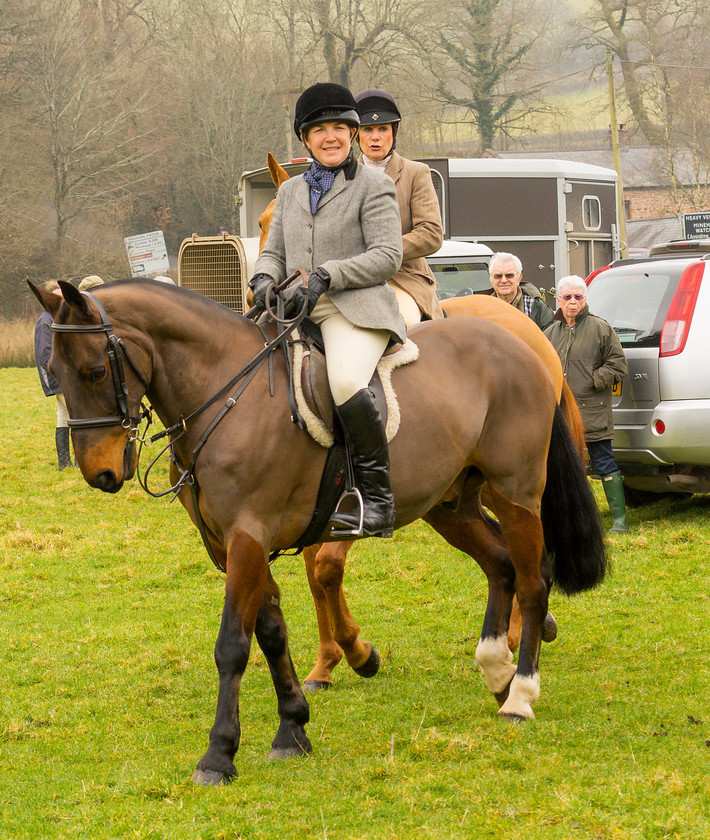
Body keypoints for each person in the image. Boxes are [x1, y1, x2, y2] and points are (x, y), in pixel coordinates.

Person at [250, 82, 404, 538]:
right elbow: (273, 252)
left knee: (344, 381)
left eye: (340, 127)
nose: (331, 136)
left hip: (352, 309)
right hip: (295, 308)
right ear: (305, 139)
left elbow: (387, 255)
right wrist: (261, 278)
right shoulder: (292, 190)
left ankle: (378, 501)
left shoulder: (375, 185)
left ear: (354, 134)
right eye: (320, 130)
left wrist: (328, 276)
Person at [545, 275, 629, 533]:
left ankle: (619, 521)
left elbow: (618, 365)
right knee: (568, 469)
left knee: (604, 463)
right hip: (561, 414)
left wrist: (593, 380)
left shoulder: (601, 328)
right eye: (567, 297)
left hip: (593, 412)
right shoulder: (549, 332)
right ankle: (574, 522)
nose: (573, 302)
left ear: (585, 299)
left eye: (578, 297)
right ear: (558, 300)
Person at [354, 88, 444, 326]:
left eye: (383, 129)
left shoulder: (416, 173)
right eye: (368, 130)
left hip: (403, 278)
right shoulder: (342, 178)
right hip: (351, 278)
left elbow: (431, 234)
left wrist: (383, 253)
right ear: (357, 135)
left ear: (394, 133)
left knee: (405, 323)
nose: (375, 137)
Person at [34, 281, 72, 469]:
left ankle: (64, 463)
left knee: (63, 416)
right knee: (76, 415)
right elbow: (44, 354)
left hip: (62, 376)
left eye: (63, 297)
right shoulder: (45, 321)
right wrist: (60, 377)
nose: (62, 301)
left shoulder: (58, 318)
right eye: (58, 297)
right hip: (56, 377)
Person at [487, 252, 553, 330]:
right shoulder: (483, 308)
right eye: (498, 276)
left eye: (509, 275)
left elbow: (551, 337)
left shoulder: (535, 306)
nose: (503, 280)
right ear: (491, 279)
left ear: (519, 278)